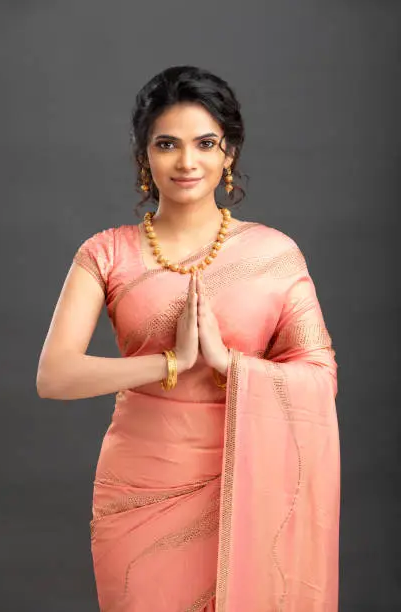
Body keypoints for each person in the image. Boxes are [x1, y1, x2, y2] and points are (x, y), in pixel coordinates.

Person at [36, 65, 340, 612]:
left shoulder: (275, 255)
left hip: (247, 489)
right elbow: (54, 376)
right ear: (143, 157)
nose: (186, 162)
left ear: (230, 155)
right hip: (139, 489)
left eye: (205, 144)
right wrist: (170, 362)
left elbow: (320, 375)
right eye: (167, 144)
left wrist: (228, 363)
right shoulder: (105, 253)